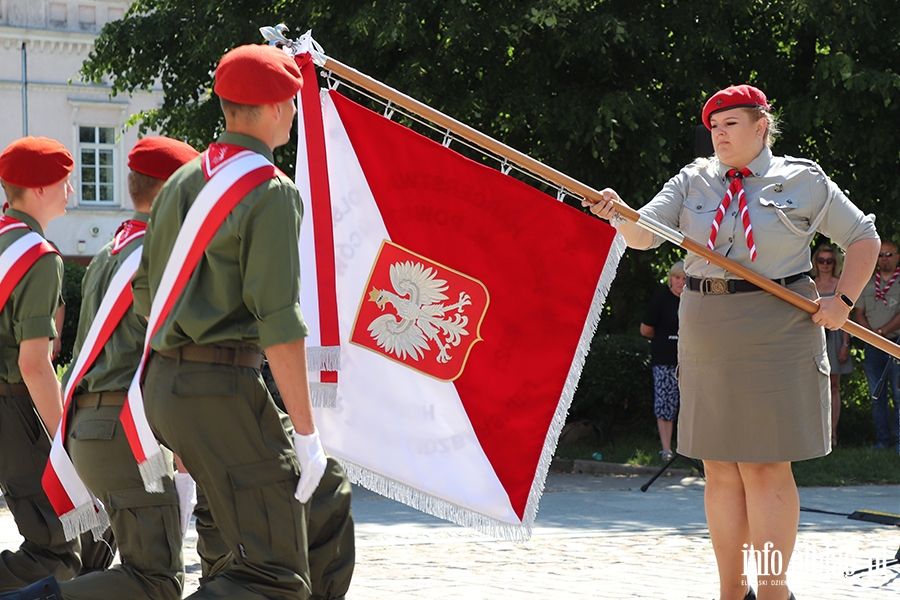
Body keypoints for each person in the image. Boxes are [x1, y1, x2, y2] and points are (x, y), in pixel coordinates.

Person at [584, 84, 879, 600]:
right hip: (706, 325)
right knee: (719, 468)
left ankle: (771, 591)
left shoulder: (802, 179)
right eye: (714, 127)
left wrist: (844, 302)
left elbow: (864, 237)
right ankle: (730, 591)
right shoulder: (693, 179)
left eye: (731, 124)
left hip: (779, 325)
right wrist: (619, 213)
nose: (718, 134)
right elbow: (645, 233)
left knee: (765, 465)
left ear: (762, 125)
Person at [132, 44, 332, 600]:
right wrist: (308, 434)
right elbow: (280, 325)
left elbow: (144, 293)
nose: (294, 111)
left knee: (240, 552)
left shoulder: (179, 182)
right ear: (272, 107)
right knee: (274, 574)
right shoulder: (270, 191)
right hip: (220, 388)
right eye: (291, 101)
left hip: (165, 385)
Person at [47, 136, 199, 600]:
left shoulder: (104, 257)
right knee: (155, 580)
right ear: (175, 190)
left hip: (89, 431)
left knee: (141, 572)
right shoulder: (162, 256)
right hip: (127, 435)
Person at [0, 137, 82, 590]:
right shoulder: (38, 256)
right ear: (41, 190)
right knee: (57, 551)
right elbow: (34, 365)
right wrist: (64, 441)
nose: (69, 191)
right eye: (63, 182)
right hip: (13, 412)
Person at [853, 240, 900, 451]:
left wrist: (881, 333)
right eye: (881, 255)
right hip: (873, 347)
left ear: (897, 257)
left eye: (889, 254)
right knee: (876, 396)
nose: (885, 258)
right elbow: (859, 313)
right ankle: (883, 441)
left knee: (898, 395)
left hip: (896, 345)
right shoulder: (868, 282)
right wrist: (872, 336)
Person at [640, 260, 685, 462]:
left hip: (690, 361)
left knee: (690, 406)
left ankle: (688, 449)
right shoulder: (660, 301)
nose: (680, 282)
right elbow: (645, 330)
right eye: (677, 278)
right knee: (665, 404)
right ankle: (666, 450)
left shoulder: (694, 300)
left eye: (685, 278)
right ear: (670, 279)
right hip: (665, 360)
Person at [811, 243, 853, 446]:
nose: (825, 264)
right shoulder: (809, 284)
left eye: (829, 260)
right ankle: (814, 434)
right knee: (811, 386)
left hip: (836, 336)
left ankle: (832, 433)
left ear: (835, 263)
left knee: (833, 386)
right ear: (815, 262)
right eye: (821, 260)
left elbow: (847, 317)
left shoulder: (840, 285)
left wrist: (846, 344)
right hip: (813, 335)